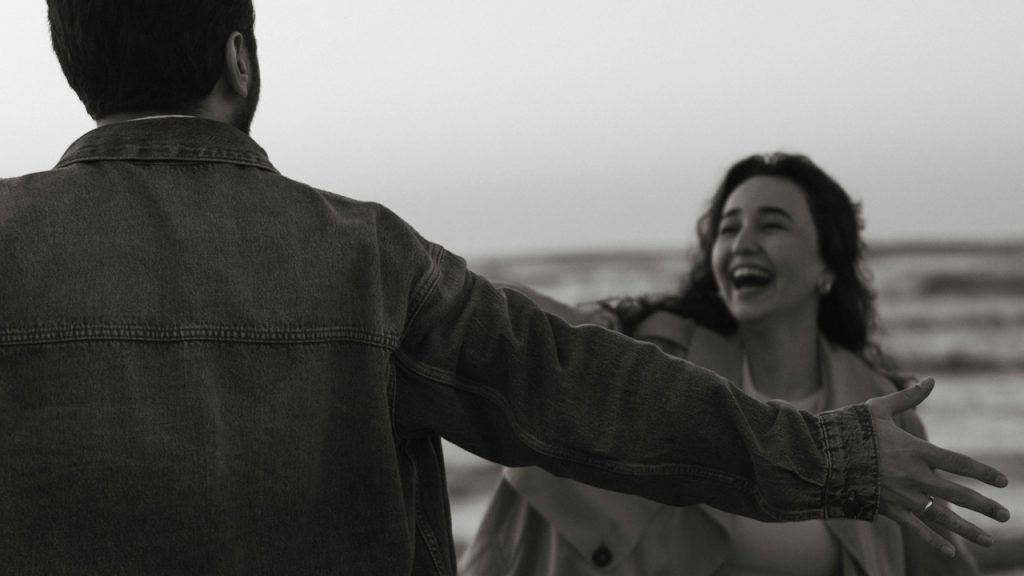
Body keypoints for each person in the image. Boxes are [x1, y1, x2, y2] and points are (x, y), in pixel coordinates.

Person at [0, 3, 1008, 574]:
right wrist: (828, 455)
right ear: (236, 57)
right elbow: (582, 394)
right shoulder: (371, 259)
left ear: (75, 65)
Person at [461, 153, 981, 575]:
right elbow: (528, 322)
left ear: (827, 264)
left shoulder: (883, 416)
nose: (741, 243)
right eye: (728, 229)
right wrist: (444, 291)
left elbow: (943, 562)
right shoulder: (662, 350)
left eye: (771, 225)